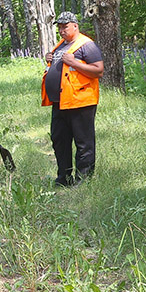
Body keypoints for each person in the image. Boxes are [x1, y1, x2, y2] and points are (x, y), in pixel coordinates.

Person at [42, 11, 104, 186]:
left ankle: (83, 180)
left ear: (75, 26)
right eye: (60, 27)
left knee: (83, 143)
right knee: (59, 140)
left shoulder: (87, 45)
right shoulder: (61, 45)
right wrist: (50, 59)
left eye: (65, 26)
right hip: (60, 102)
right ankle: (64, 178)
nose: (62, 30)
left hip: (81, 102)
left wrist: (74, 62)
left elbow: (99, 70)